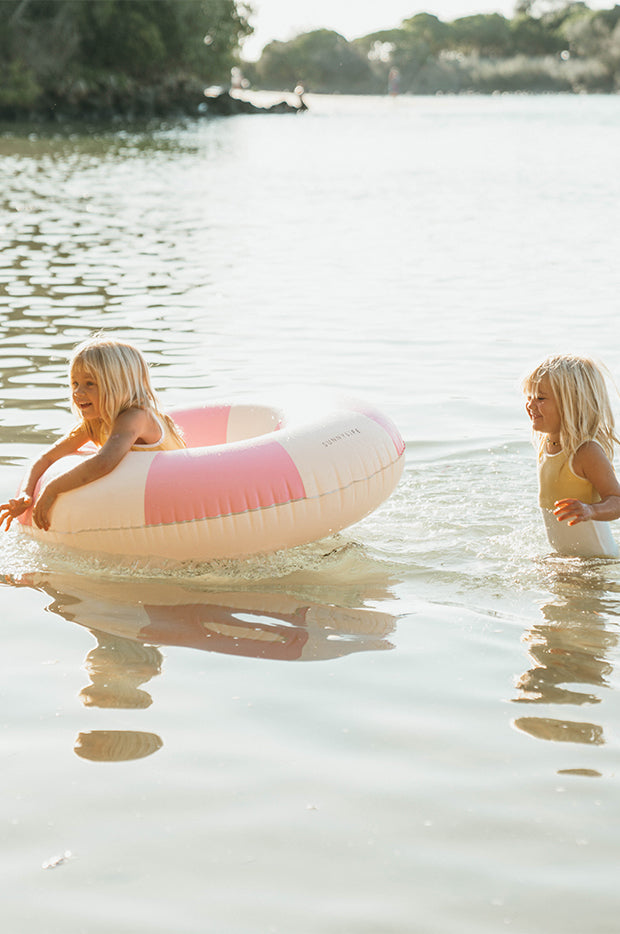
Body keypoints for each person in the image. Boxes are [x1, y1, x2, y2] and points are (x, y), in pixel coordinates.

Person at [0, 335, 185, 533]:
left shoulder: (136, 417)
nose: (78, 392)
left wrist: (52, 488)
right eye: (75, 383)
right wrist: (27, 494)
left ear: (118, 385)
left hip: (180, 493)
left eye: (90, 384)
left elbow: (104, 462)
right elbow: (46, 457)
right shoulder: (95, 423)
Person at [523, 353, 620, 555]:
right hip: (567, 558)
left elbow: (617, 500)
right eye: (529, 397)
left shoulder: (585, 452)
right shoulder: (545, 443)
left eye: (540, 398)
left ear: (572, 403)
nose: (531, 405)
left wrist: (591, 510)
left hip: (597, 561)